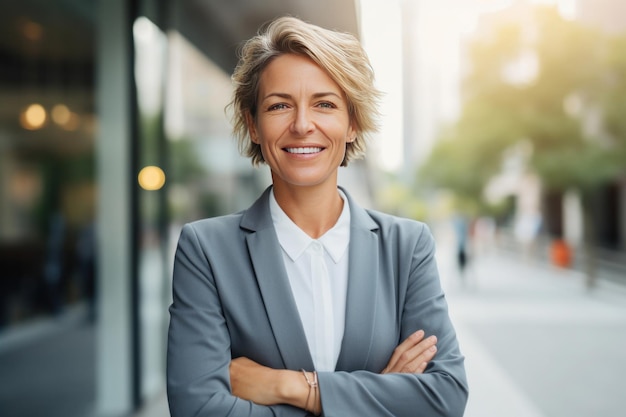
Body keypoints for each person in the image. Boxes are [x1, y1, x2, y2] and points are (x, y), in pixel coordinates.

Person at [167, 16, 468, 417]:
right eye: (279, 106)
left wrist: (291, 386)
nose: (303, 125)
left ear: (352, 123)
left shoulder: (407, 247)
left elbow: (444, 397)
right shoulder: (206, 250)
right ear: (253, 124)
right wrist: (380, 393)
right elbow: (198, 410)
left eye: (324, 104)